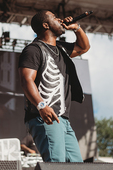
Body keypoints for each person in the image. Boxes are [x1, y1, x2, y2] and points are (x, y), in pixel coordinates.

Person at [18, 10, 90, 162]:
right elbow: (26, 80)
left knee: (77, 164)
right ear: (46, 25)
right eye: (54, 18)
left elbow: (83, 48)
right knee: (56, 163)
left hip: (63, 119)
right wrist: (41, 105)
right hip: (44, 116)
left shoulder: (61, 49)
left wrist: (76, 28)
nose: (60, 19)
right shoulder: (33, 50)